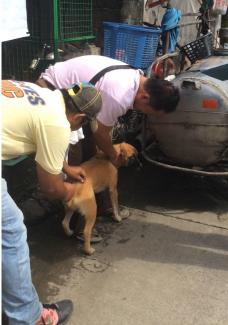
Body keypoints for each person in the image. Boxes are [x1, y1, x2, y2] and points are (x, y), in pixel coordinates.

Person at [1, 80, 102, 324]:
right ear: (78, 117)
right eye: (84, 123)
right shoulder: (57, 123)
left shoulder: (42, 94)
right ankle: (29, 317)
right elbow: (49, 188)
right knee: (11, 230)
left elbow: (30, 136)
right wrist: (68, 189)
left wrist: (65, 167)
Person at [36, 55, 180, 170]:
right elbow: (100, 132)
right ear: (145, 97)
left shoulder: (134, 75)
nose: (145, 114)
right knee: (73, 156)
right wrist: (113, 155)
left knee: (90, 151)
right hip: (49, 93)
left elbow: (100, 130)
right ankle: (59, 197)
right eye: (150, 112)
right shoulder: (120, 96)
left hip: (74, 99)